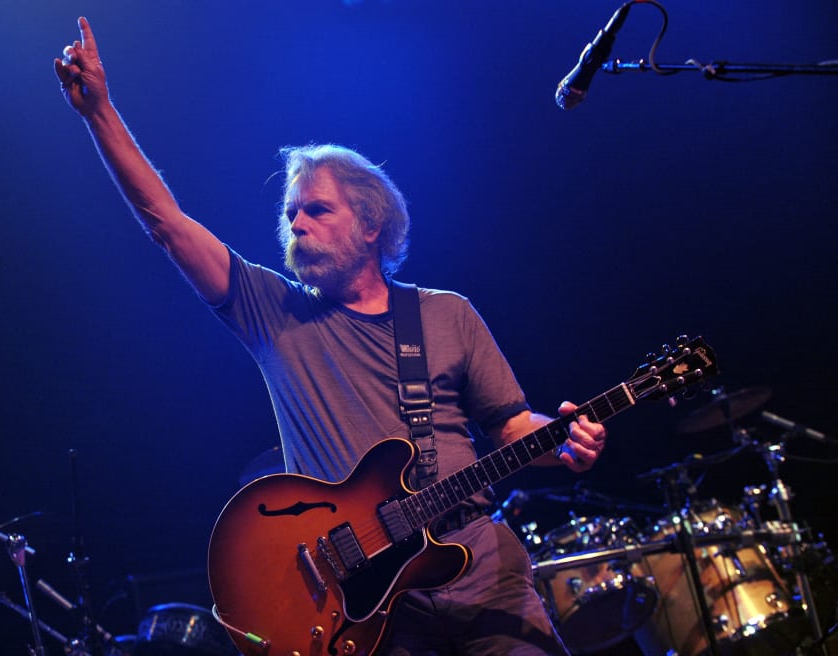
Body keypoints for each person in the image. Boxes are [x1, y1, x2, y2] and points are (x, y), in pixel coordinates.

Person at [54, 16, 608, 656]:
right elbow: (167, 225)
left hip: (479, 564)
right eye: (290, 214)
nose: (297, 225)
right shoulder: (273, 311)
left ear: (371, 226)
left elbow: (511, 429)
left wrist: (564, 442)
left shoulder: (447, 314)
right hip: (363, 599)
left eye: (316, 210)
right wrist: (99, 112)